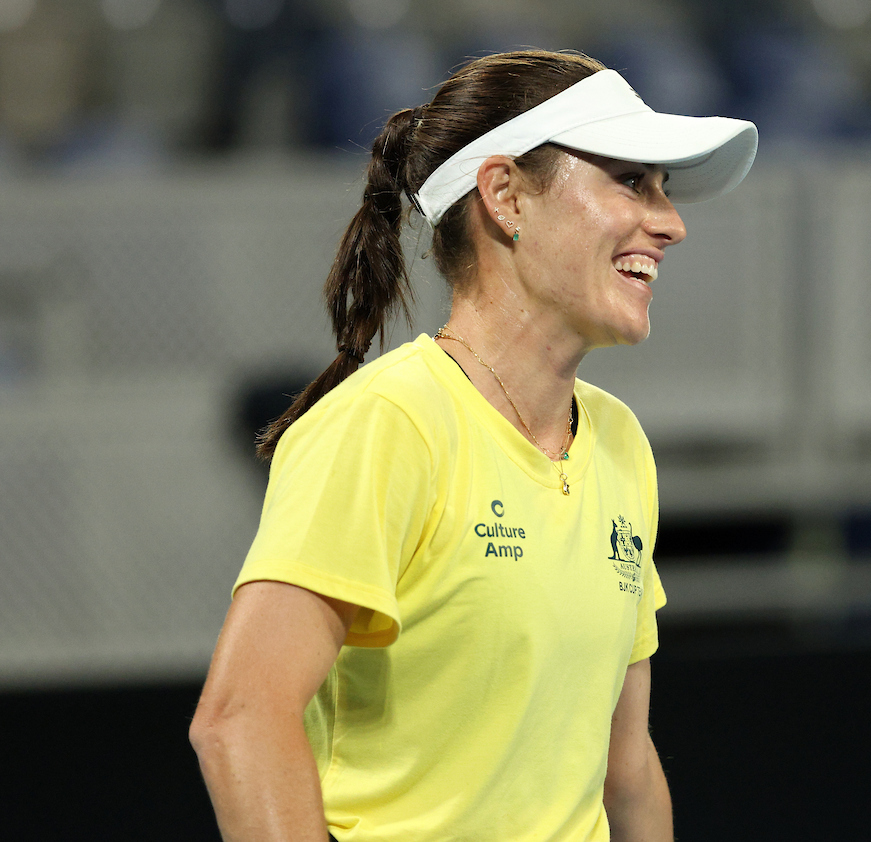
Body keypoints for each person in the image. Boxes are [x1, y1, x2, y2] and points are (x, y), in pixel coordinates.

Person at [189, 49, 757, 842]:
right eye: (631, 180)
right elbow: (241, 720)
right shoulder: (385, 425)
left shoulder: (621, 442)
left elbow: (623, 769)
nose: (671, 222)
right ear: (505, 195)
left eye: (663, 189)